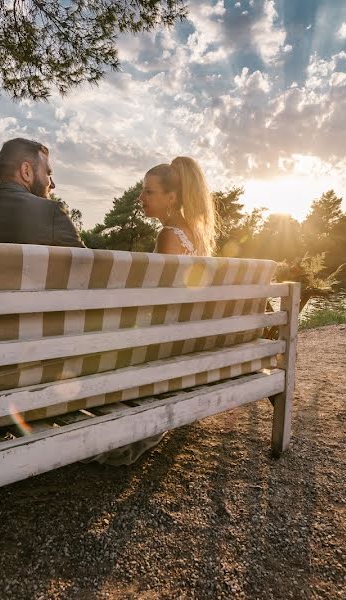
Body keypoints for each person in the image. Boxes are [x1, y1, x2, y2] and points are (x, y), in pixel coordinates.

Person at [90, 156, 217, 466]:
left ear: (171, 198)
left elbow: (162, 303)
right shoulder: (194, 234)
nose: (141, 197)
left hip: (165, 341)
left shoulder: (169, 235)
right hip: (188, 334)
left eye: (149, 192)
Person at [0, 138, 83, 247]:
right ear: (26, 171)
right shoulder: (52, 214)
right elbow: (88, 274)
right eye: (47, 173)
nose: (52, 184)